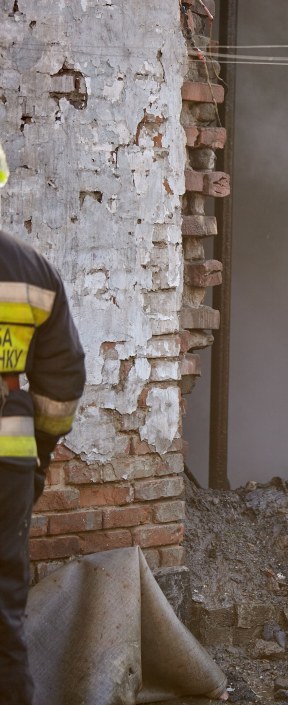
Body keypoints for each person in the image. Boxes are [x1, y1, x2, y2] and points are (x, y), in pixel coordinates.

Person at [0, 143, 86, 705]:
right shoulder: (34, 273)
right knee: (2, 612)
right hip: (5, 464)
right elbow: (61, 386)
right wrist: (39, 456)